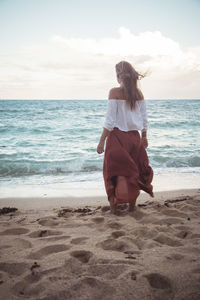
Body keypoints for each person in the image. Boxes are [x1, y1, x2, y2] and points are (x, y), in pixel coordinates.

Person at [97, 61, 153, 214]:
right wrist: (144, 136)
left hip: (117, 138)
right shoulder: (138, 94)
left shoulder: (114, 92)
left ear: (118, 77)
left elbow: (109, 121)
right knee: (134, 172)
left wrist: (101, 141)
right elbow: (144, 118)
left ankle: (114, 209)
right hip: (135, 139)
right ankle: (131, 207)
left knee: (111, 172)